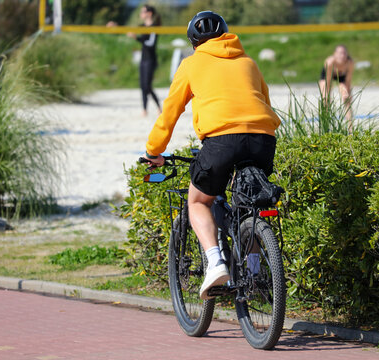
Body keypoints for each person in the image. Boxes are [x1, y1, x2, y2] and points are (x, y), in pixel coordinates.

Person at [140, 11, 280, 300]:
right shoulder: (248, 62)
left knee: (198, 200)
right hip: (263, 140)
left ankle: (215, 263)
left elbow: (170, 112)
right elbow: (264, 100)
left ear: (194, 43)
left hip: (222, 141)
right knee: (248, 208)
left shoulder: (191, 64)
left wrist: (154, 150)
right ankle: (254, 273)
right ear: (226, 35)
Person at [108, 5, 162, 117]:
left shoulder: (154, 27)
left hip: (151, 60)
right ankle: (145, 110)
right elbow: (129, 30)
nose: (140, 14)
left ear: (149, 13)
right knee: (143, 86)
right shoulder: (141, 26)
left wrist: (136, 38)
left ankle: (158, 107)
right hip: (143, 59)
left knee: (147, 86)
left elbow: (150, 44)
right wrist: (116, 26)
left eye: (142, 12)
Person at [318, 45, 354, 132]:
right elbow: (328, 82)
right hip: (327, 77)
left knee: (347, 98)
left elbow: (347, 81)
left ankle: (350, 128)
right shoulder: (330, 62)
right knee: (325, 98)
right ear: (334, 54)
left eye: (344, 53)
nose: (342, 56)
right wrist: (327, 95)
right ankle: (325, 127)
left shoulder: (350, 63)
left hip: (342, 78)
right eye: (339, 53)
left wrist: (346, 92)